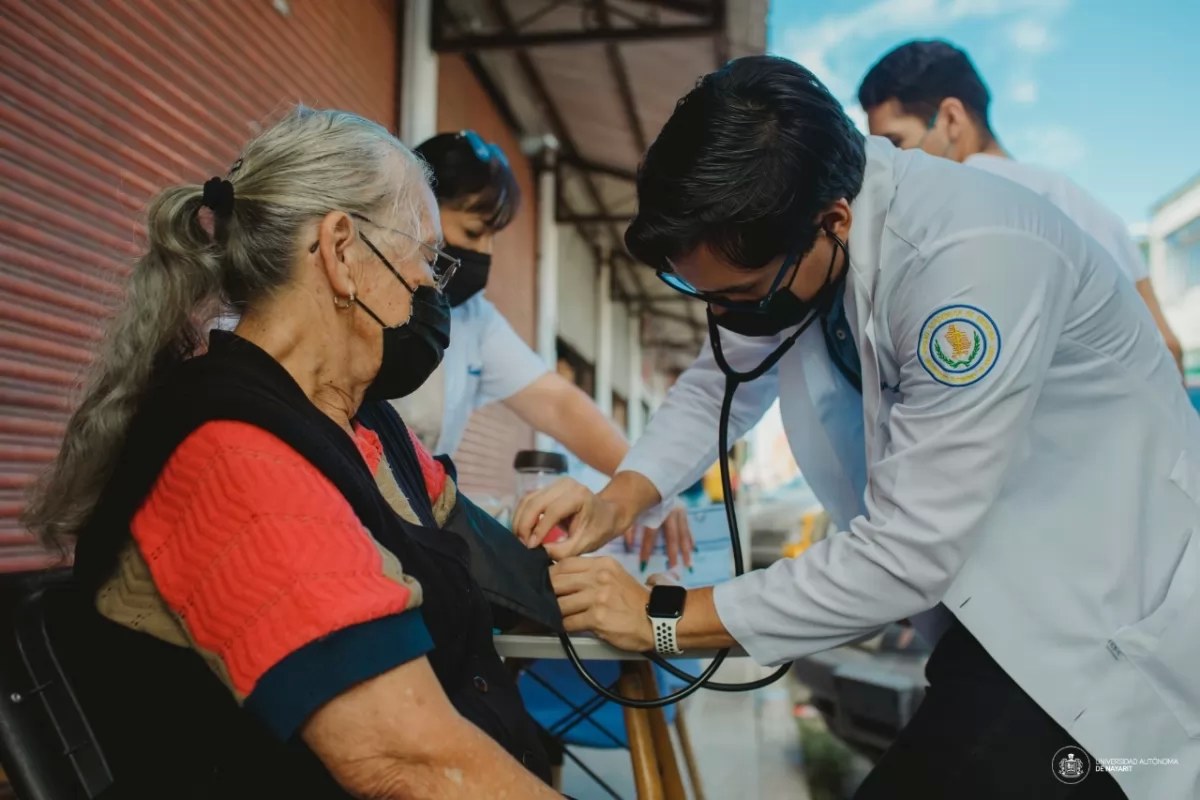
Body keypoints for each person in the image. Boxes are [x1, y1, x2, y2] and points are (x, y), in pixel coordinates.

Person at [513, 56, 1200, 798]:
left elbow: (906, 549)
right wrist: (618, 501)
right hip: (998, 613)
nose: (725, 316)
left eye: (742, 294)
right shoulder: (801, 234)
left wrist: (663, 618)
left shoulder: (968, 265)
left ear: (832, 220)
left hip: (1100, 616)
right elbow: (720, 377)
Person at [22, 108, 561, 799]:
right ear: (341, 250)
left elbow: (497, 565)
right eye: (427, 258)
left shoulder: (369, 426)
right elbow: (409, 762)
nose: (437, 288)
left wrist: (586, 535)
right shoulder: (235, 456)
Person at [387, 130, 692, 568]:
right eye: (473, 232)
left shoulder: (474, 317)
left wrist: (647, 485)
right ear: (417, 212)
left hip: (417, 519)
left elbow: (557, 402)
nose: (482, 253)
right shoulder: (368, 296)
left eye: (493, 237)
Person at [857, 39, 1184, 375]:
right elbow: (1166, 345)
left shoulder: (957, 206)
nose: (890, 167)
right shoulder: (1076, 199)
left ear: (951, 119)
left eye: (896, 145)